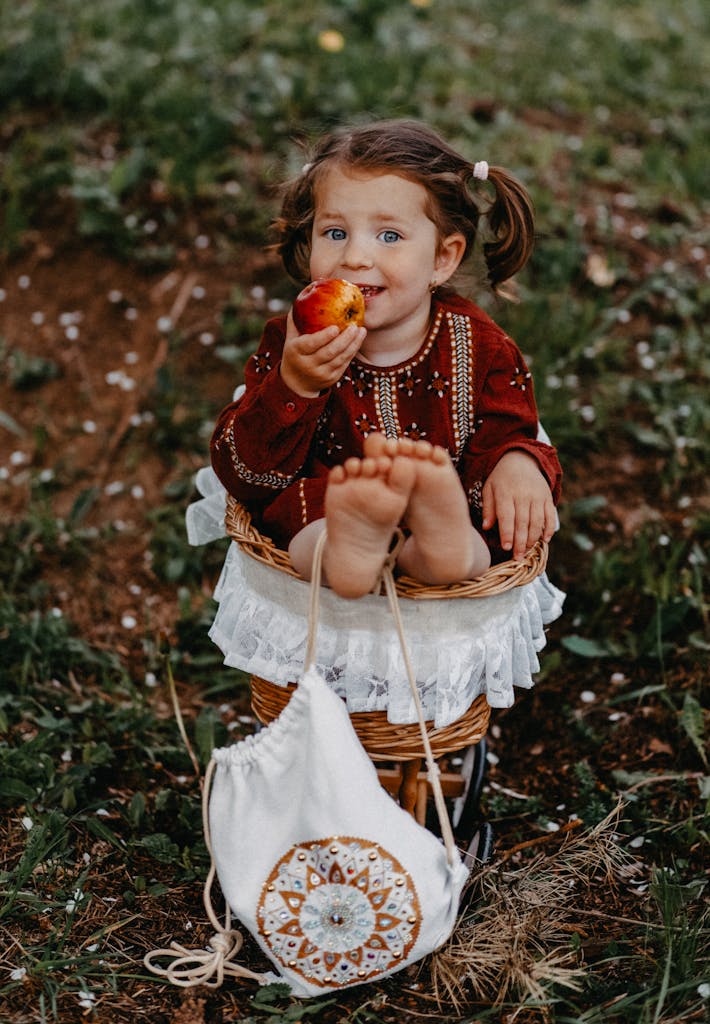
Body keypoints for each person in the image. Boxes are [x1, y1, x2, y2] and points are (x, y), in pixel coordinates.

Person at [211, 119, 562, 600]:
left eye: (390, 237)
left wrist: (517, 462)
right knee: (305, 527)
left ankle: (445, 543)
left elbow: (506, 433)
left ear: (443, 258)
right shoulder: (292, 342)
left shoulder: (482, 348)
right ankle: (351, 546)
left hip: (438, 510)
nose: (355, 256)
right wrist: (294, 385)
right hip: (330, 506)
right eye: (334, 232)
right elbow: (247, 475)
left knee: (473, 539)